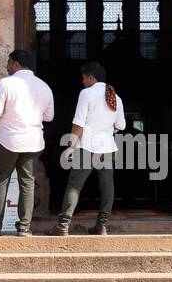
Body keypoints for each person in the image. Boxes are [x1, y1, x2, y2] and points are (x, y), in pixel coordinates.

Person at [0, 48, 54, 237]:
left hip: (9, 140)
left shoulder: (6, 83)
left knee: (1, 181)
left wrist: (9, 113)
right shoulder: (44, 86)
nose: (6, 67)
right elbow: (49, 116)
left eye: (8, 63)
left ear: (15, 64)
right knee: (27, 183)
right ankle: (24, 227)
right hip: (33, 141)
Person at [48, 62, 126, 236]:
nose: (82, 81)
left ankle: (62, 226)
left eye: (84, 78)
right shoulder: (115, 97)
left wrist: (71, 146)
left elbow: (78, 122)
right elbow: (121, 125)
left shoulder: (87, 93)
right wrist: (107, 129)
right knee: (107, 187)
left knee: (74, 186)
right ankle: (102, 226)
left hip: (87, 147)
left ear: (91, 77)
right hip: (107, 148)